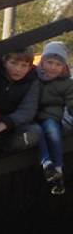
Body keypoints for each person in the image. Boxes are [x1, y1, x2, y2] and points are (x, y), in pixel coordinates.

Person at [0, 47, 41, 157]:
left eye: (24, 65)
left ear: (29, 67)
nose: (18, 69)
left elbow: (27, 110)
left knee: (35, 133)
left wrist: (2, 125)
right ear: (5, 62)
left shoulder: (33, 80)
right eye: (13, 63)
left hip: (9, 123)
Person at [35, 41, 73, 195]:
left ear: (64, 67)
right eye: (49, 62)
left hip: (51, 116)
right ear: (42, 62)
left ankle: (58, 168)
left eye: (58, 64)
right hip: (34, 115)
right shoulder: (35, 77)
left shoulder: (67, 84)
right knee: (37, 133)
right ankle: (47, 163)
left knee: (52, 132)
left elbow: (71, 102)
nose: (52, 67)